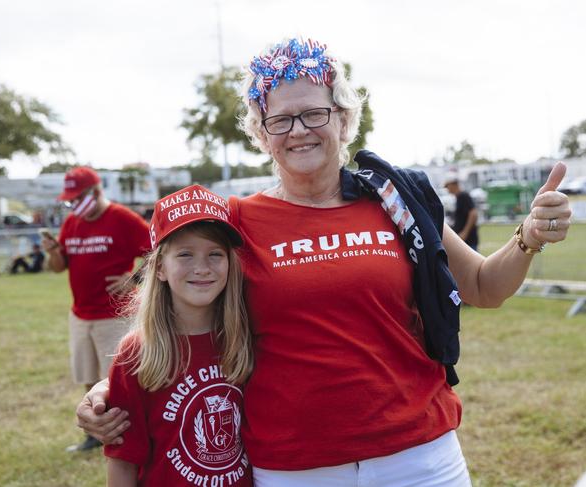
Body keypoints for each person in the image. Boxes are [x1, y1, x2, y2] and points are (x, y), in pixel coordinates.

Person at [76, 38, 572, 486]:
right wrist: (111, 385)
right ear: (262, 132)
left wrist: (527, 237)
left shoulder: (393, 202)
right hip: (294, 467)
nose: (299, 131)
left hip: (420, 457)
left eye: (313, 114)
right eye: (280, 120)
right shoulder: (234, 220)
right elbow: (179, 309)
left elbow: (485, 286)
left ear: (341, 118)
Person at [105, 184, 253, 486]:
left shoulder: (247, 337)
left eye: (215, 254)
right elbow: (122, 462)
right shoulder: (136, 354)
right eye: (185, 254)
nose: (202, 268)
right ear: (159, 267)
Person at [42, 166, 151, 452]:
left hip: (114, 315)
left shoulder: (122, 218)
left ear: (96, 191)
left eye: (78, 199)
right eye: (70, 201)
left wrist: (135, 280)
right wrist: (53, 252)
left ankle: (130, 436)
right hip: (80, 314)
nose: (74, 206)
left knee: (120, 382)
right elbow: (57, 268)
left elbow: (161, 249)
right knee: (88, 376)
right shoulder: (72, 223)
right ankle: (96, 434)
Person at [445, 177, 480, 251]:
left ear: (454, 185)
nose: (447, 189)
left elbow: (473, 213)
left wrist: (464, 233)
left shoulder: (463, 196)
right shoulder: (458, 198)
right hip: (463, 239)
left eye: (448, 186)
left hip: (469, 240)